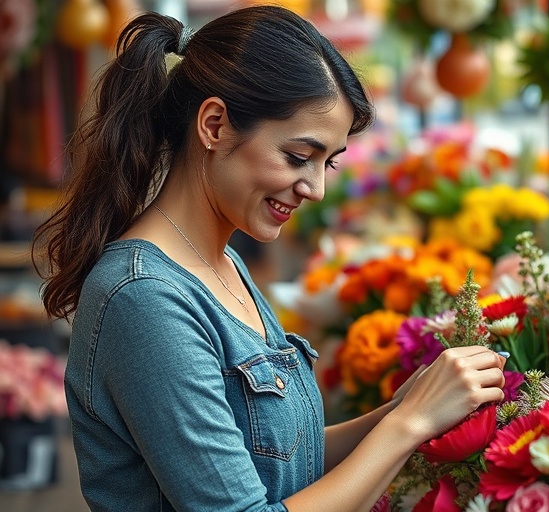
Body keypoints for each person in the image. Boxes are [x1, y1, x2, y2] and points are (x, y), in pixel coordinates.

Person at [32, 6, 506, 511]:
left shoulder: (225, 265)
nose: (317, 188)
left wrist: (403, 409)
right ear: (214, 125)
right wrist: (409, 424)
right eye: (299, 156)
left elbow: (278, 462)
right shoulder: (144, 299)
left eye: (329, 162)